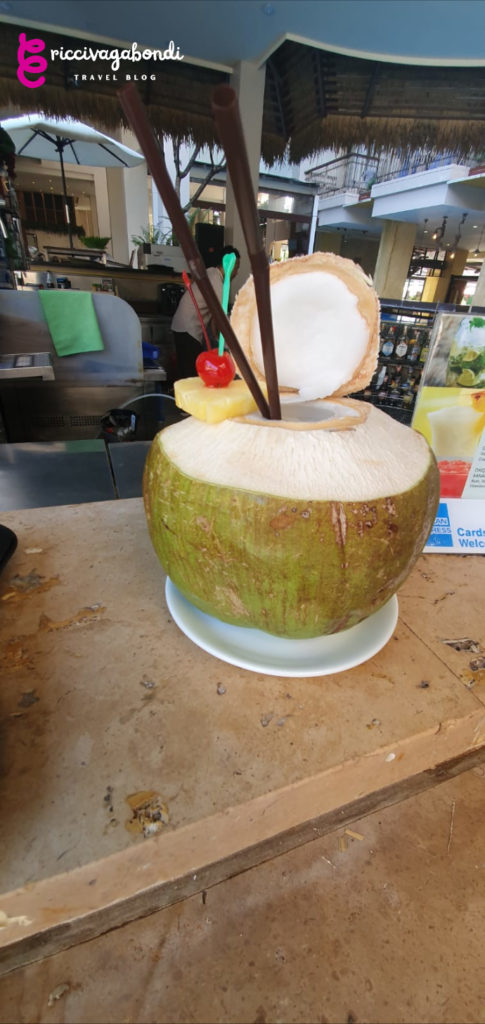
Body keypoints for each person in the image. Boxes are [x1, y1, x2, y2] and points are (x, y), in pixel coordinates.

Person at [171, 245, 240, 378]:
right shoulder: (216, 282)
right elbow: (223, 319)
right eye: (236, 267)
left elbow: (215, 315)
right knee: (191, 375)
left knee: (187, 372)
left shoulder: (212, 273)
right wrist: (231, 348)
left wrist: (216, 337)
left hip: (183, 326)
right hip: (188, 328)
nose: (236, 273)